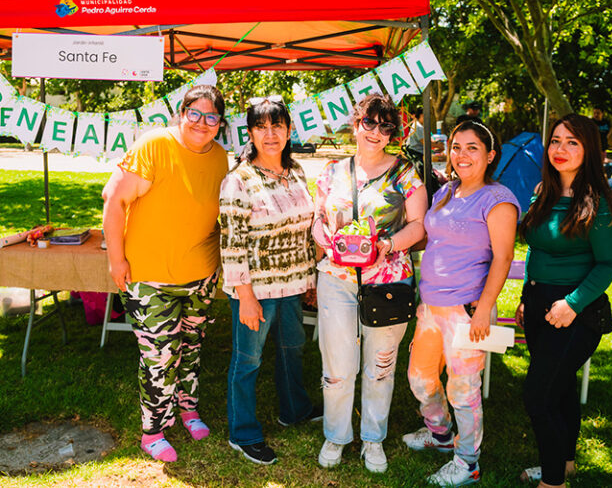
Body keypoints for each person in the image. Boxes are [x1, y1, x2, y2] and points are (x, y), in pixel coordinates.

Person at [101, 85, 229, 463]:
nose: (202, 123)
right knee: (159, 357)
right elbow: (113, 200)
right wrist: (117, 260)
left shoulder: (221, 157)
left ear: (220, 124)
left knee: (191, 349)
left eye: (211, 117)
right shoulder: (154, 144)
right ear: (181, 113)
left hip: (201, 275)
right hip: (151, 277)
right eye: (195, 113)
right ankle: (153, 430)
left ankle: (188, 410)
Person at [312, 93, 427, 473]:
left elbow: (418, 225)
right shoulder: (332, 171)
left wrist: (387, 246)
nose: (376, 132)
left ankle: (373, 439)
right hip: (336, 280)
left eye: (385, 126)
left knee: (380, 366)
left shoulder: (406, 173)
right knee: (338, 365)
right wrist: (324, 239)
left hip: (387, 282)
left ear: (392, 131)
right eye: (369, 123)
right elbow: (317, 220)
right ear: (355, 123)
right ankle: (336, 435)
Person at [403, 121, 520, 487]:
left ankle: (468, 462)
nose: (462, 155)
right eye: (456, 146)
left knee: (463, 388)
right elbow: (433, 238)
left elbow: (502, 258)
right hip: (432, 305)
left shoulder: (497, 199)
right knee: (420, 378)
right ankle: (440, 435)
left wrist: (485, 308)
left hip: (469, 310)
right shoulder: (446, 192)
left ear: (490, 155)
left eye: (472, 148)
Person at [516, 114, 612, 488]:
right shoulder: (541, 192)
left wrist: (572, 303)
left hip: (577, 310)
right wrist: (529, 295)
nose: (560, 149)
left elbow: (610, 262)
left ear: (589, 149)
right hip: (538, 303)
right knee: (559, 388)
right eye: (556, 140)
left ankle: (553, 482)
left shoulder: (600, 202)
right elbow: (536, 249)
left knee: (538, 396)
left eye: (572, 142)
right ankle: (565, 462)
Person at [220, 96, 320, 465]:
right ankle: (242, 432)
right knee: (248, 361)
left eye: (277, 125)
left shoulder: (297, 173)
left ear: (289, 130)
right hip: (255, 290)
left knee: (293, 353)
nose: (270, 134)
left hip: (293, 287)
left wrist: (309, 279)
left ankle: (294, 410)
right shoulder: (239, 181)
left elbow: (304, 232)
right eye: (261, 126)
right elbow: (232, 243)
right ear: (250, 133)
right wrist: (245, 296)